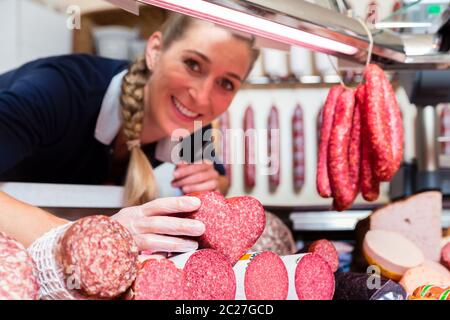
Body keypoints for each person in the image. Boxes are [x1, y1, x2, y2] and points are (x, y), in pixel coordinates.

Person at [0, 13, 259, 251]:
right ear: (155, 51)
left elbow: (220, 180)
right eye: (193, 64)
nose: (201, 98)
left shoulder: (189, 126)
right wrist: (102, 237)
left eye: (226, 83)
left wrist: (210, 180)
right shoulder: (57, 90)